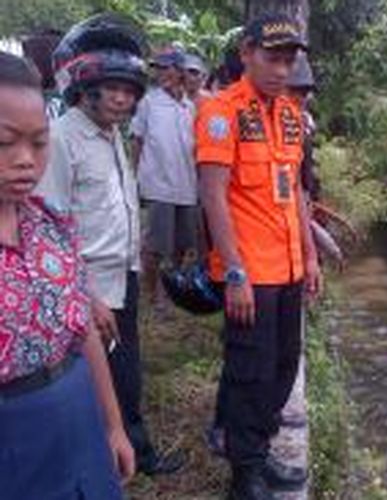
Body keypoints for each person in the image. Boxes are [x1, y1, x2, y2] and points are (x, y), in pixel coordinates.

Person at [36, 14, 185, 476]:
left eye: (128, 90)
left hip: (123, 274)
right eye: (110, 88)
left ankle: (128, 448)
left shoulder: (112, 135)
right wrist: (84, 292)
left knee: (126, 369)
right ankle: (122, 453)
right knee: (102, 376)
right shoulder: (64, 140)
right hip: (91, 285)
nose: (121, 98)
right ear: (85, 88)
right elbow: (49, 225)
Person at [196, 13, 322, 500]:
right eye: (273, 58)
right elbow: (213, 196)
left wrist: (309, 256)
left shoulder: (291, 115)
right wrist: (233, 273)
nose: (282, 69)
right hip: (249, 272)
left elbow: (296, 195)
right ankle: (244, 473)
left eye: (290, 60)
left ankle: (263, 451)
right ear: (247, 53)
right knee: (251, 370)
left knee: (284, 364)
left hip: (288, 267)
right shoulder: (221, 112)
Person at [0, 50, 134, 498]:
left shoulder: (52, 225)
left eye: (39, 143)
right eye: (5, 142)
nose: (25, 159)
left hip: (78, 410)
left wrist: (112, 426)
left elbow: (84, 334)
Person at [131, 47, 200, 316]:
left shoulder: (190, 107)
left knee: (182, 246)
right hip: (158, 185)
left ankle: (171, 287)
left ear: (180, 70)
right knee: (156, 247)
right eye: (157, 69)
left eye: (166, 68)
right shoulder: (149, 102)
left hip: (187, 186)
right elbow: (137, 140)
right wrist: (134, 178)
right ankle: (153, 294)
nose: (161, 74)